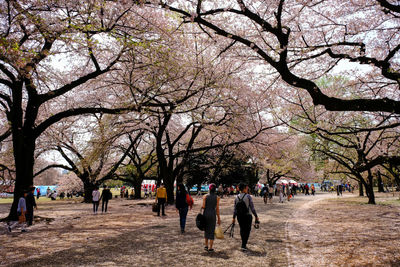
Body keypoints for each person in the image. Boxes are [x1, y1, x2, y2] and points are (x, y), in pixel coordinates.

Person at [232, 183, 259, 251]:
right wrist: (256, 216)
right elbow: (252, 208)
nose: (247, 189)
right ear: (244, 189)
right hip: (247, 216)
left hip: (239, 216)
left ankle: (243, 244)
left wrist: (233, 217)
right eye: (246, 188)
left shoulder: (236, 197)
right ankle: (244, 244)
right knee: (247, 230)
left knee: (242, 229)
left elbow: (235, 209)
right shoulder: (248, 196)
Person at [202, 183, 221, 252]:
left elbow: (203, 206)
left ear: (209, 189)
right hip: (213, 214)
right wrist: (218, 218)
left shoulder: (205, 196)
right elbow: (217, 209)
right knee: (212, 230)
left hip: (206, 214)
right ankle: (210, 247)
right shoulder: (217, 197)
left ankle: (206, 246)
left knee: (206, 229)